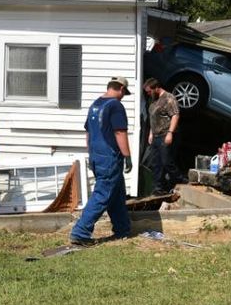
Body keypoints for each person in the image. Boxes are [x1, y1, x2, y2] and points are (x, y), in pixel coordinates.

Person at [69, 76, 134, 245]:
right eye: (124, 93)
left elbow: (88, 133)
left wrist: (91, 154)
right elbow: (119, 132)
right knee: (102, 194)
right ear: (121, 89)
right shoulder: (115, 106)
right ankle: (80, 232)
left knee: (117, 193)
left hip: (97, 156)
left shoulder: (95, 105)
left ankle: (122, 229)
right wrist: (127, 156)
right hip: (110, 157)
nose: (123, 96)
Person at [143, 78, 180, 196]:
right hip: (156, 135)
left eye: (149, 91)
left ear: (156, 88)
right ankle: (158, 187)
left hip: (165, 134)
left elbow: (175, 115)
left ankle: (179, 179)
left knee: (166, 161)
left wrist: (170, 133)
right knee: (156, 163)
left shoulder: (168, 98)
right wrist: (151, 133)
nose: (148, 94)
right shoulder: (153, 100)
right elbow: (153, 118)